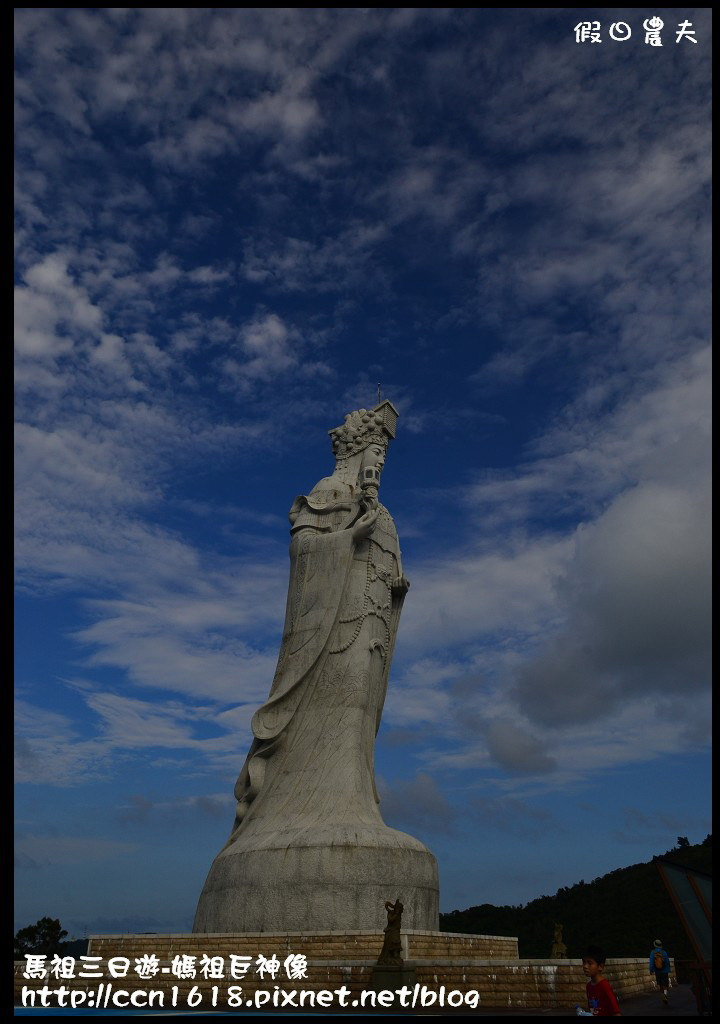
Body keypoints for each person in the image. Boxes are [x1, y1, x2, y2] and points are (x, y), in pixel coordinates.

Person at [581, 945, 621, 1016]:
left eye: (590, 963)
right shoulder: (589, 986)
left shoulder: (604, 986)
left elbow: (616, 1012)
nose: (585, 966)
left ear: (600, 966)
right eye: (584, 962)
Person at [649, 939, 671, 1004]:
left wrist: (651, 970)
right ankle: (665, 995)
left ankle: (662, 996)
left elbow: (651, 963)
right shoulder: (664, 952)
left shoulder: (653, 952)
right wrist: (668, 969)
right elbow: (667, 962)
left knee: (661, 985)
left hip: (657, 971)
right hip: (665, 971)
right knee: (665, 985)